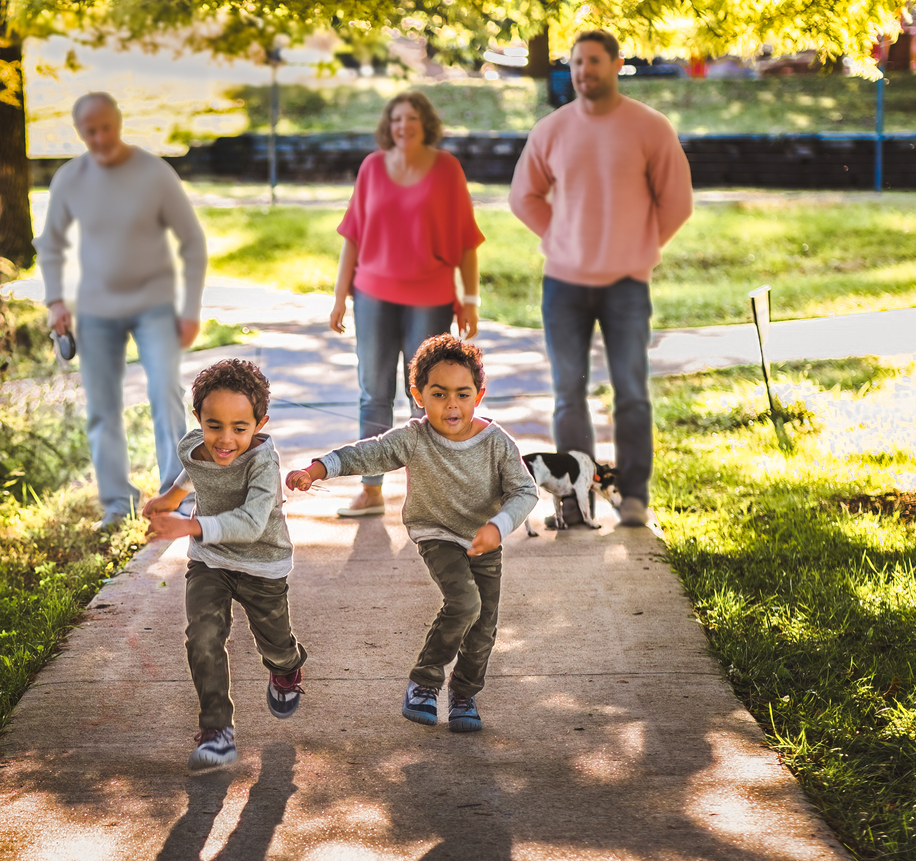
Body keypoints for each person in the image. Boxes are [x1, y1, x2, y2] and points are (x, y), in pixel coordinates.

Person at [286, 335, 536, 732]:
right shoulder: (414, 437)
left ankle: (464, 693)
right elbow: (369, 452)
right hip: (436, 533)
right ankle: (424, 681)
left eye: (462, 394)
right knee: (466, 603)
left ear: (479, 395)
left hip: (484, 538)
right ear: (418, 395)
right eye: (439, 394)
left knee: (485, 623)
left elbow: (525, 490)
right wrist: (318, 468)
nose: (451, 404)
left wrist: (498, 525)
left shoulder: (496, 443)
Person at [508, 30, 693, 528]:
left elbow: (676, 201)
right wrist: (560, 238)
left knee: (631, 392)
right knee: (569, 392)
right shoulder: (552, 129)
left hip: (626, 285)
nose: (584, 71)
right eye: (576, 63)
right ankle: (573, 500)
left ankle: (633, 496)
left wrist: (642, 251)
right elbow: (524, 196)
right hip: (563, 284)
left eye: (593, 61)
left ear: (617, 64)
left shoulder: (649, 128)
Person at [33, 91, 207, 530]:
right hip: (95, 309)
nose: (99, 137)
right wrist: (55, 299)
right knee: (102, 406)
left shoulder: (153, 172)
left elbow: (192, 241)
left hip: (155, 305)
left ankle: (177, 496)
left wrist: (189, 309)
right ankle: (116, 503)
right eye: (89, 131)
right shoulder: (69, 179)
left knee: (166, 394)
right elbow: (51, 244)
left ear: (119, 122)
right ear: (79, 132)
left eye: (105, 127)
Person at [144, 358, 307, 770]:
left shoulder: (263, 463)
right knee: (203, 635)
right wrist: (170, 497)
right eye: (214, 425)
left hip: (262, 564)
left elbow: (252, 524)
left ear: (260, 423)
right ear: (198, 418)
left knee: (275, 644)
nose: (225, 440)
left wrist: (189, 525)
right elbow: (193, 467)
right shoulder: (193, 443)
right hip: (210, 562)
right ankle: (217, 729)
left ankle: (287, 667)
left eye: (240, 428)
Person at [329, 90, 486, 517]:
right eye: (397, 118)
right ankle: (372, 490)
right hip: (374, 296)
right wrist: (340, 295)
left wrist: (469, 299)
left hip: (431, 298)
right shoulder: (372, 168)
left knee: (428, 397)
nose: (404, 125)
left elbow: (468, 241)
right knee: (372, 393)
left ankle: (432, 493)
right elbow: (352, 237)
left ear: (426, 123)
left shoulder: (447, 170)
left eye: (412, 117)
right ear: (388, 125)